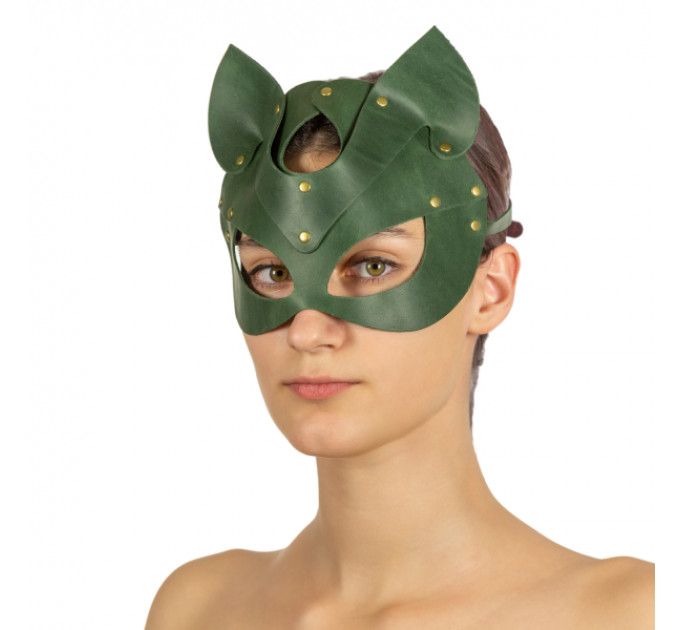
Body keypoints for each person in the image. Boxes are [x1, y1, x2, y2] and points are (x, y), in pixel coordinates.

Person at [145, 27, 654, 629]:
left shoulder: (628, 612)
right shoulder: (197, 609)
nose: (307, 332)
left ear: (490, 291)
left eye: (373, 266)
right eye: (273, 272)